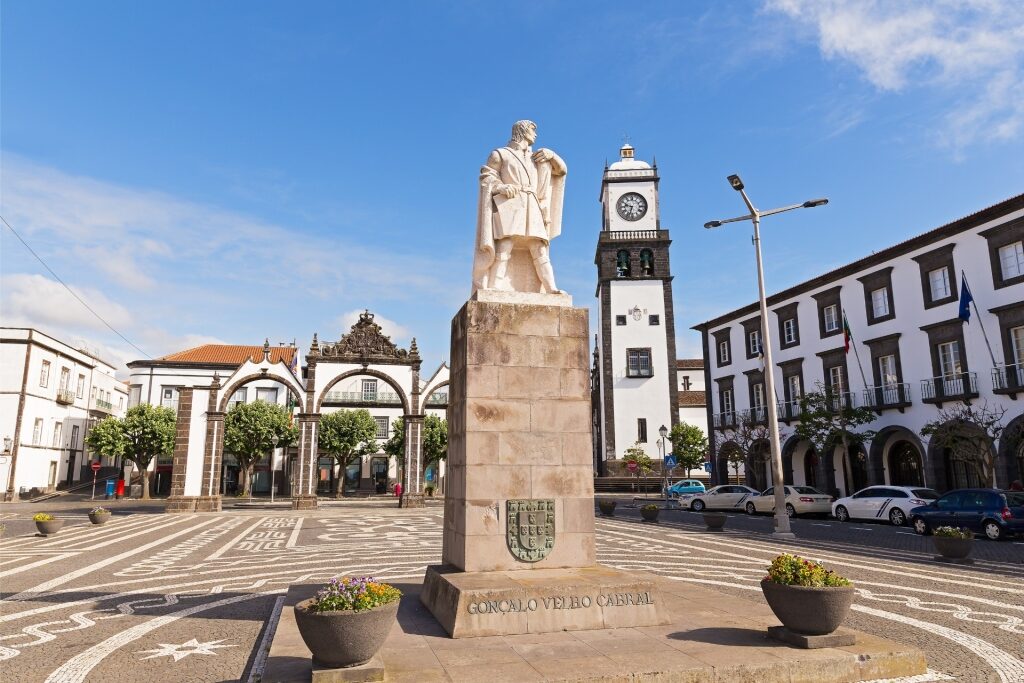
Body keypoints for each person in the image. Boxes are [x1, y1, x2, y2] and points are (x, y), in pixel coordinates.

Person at [472, 120, 567, 294]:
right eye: (533, 130)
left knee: (539, 248)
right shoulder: (500, 154)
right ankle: (495, 287)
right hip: (511, 204)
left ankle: (551, 288)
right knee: (505, 245)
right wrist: (501, 186)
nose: (536, 134)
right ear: (523, 131)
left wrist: (552, 155)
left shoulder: (538, 158)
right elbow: (487, 177)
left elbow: (561, 171)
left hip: (533, 205)